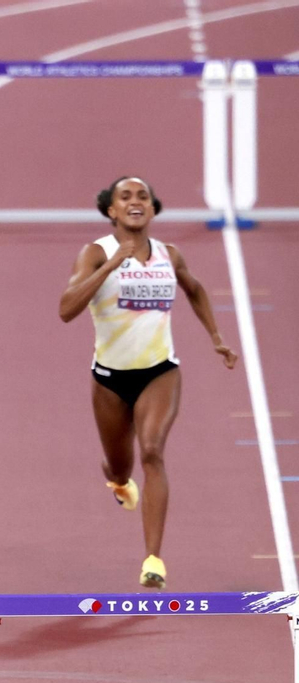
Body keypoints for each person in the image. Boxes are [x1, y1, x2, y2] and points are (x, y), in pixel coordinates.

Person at [58, 176, 237, 587]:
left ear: (153, 210)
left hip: (160, 372)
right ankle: (118, 481)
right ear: (111, 211)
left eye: (143, 197)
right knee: (121, 465)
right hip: (108, 380)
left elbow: (195, 289)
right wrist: (110, 265)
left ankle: (153, 559)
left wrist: (216, 337)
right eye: (126, 197)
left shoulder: (168, 255)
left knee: (152, 452)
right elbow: (66, 309)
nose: (135, 202)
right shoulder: (95, 253)